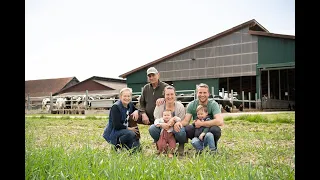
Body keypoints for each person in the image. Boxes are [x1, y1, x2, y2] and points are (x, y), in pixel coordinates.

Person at [174, 83, 224, 154]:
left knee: (215, 129)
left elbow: (220, 121)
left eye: (204, 92)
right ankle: (199, 147)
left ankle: (213, 147)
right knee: (188, 128)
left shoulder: (213, 104)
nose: (202, 95)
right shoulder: (192, 105)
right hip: (197, 131)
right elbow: (186, 121)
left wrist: (202, 123)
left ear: (208, 94)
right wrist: (179, 123)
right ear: (197, 93)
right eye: (200, 92)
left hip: (209, 130)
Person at [150, 85, 187, 156]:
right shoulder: (160, 105)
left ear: (175, 95)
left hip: (174, 129)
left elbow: (181, 120)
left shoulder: (180, 106)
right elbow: (157, 119)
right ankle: (160, 146)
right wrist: (162, 125)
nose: (170, 97)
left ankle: (181, 145)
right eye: (167, 94)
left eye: (172, 94)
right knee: (152, 128)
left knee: (181, 131)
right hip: (163, 129)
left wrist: (174, 122)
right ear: (164, 95)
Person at [102, 87, 141, 152]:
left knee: (137, 149)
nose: (127, 98)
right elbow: (116, 125)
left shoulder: (130, 104)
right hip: (114, 132)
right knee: (131, 133)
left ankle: (127, 146)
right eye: (124, 96)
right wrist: (129, 129)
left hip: (124, 131)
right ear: (120, 97)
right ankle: (116, 146)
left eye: (128, 96)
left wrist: (136, 111)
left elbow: (136, 110)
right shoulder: (116, 107)